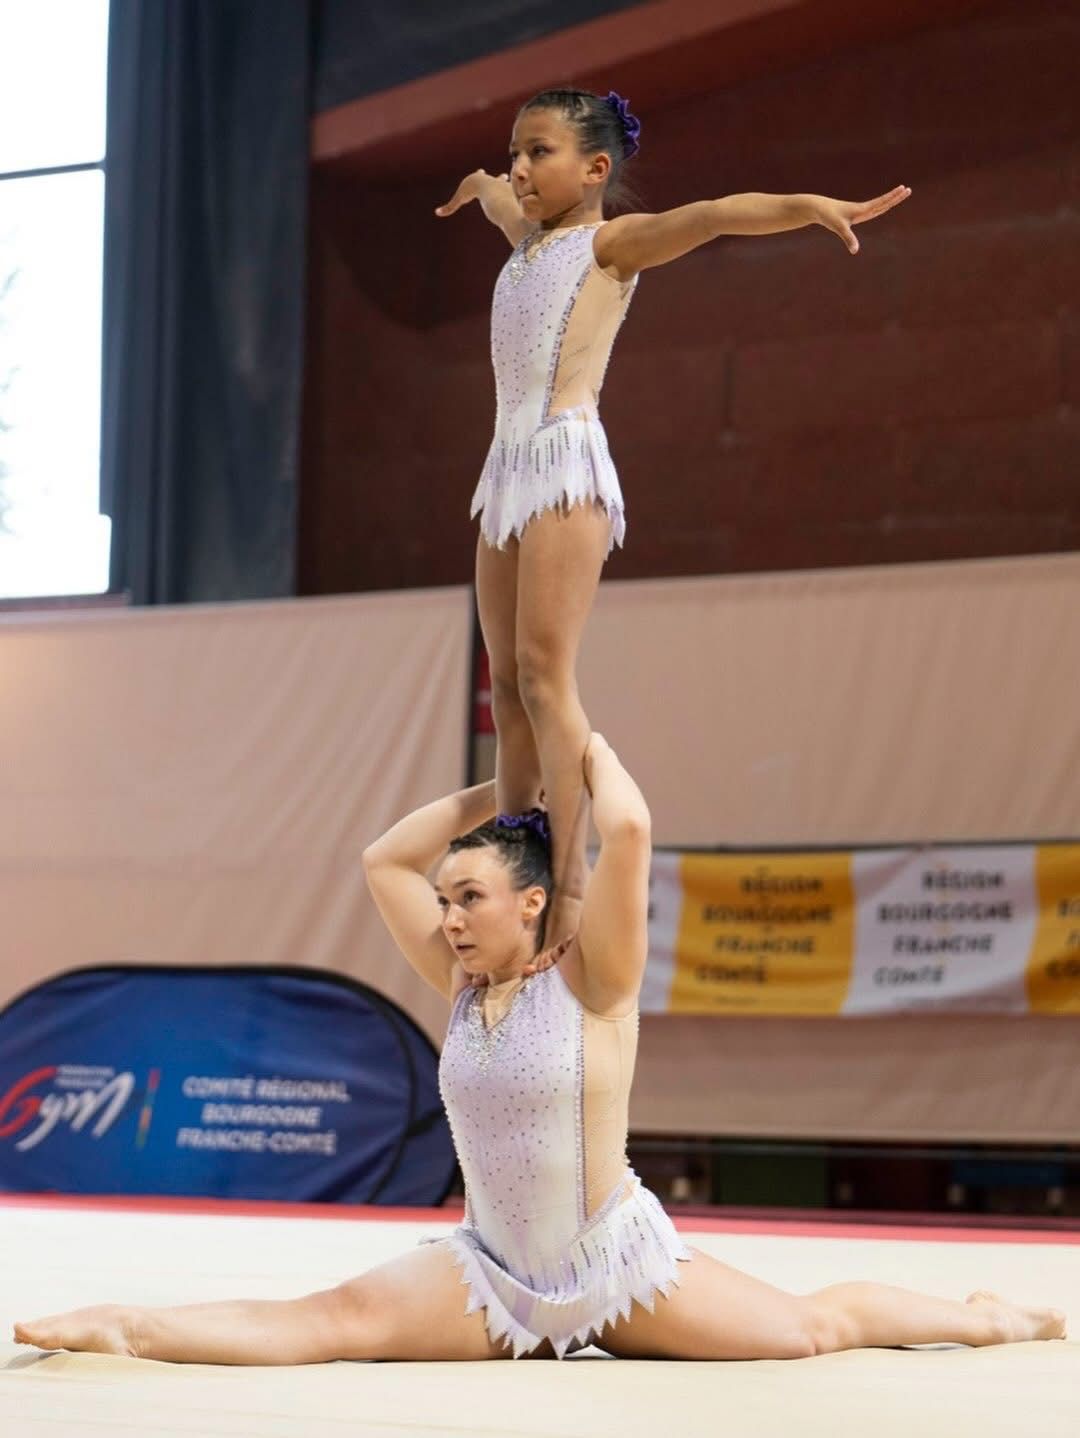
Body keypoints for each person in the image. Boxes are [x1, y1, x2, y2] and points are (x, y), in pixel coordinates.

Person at [13, 735, 1065, 1362]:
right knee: (332, 1320)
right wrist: (502, 789)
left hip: (619, 1265)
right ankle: (130, 1326)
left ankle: (993, 1322)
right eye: (446, 901)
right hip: (492, 1273)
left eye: (469, 897)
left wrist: (575, 745)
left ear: (532, 902)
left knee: (809, 1332)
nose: (449, 918)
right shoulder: (462, 982)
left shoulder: (593, 982)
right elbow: (383, 859)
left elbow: (631, 830)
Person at [434, 87, 912, 950]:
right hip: (503, 472)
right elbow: (496, 196)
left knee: (544, 677)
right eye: (514, 152)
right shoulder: (526, 238)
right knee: (504, 684)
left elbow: (715, 215)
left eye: (538, 152)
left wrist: (808, 205)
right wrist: (477, 184)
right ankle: (515, 853)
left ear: (596, 169)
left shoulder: (611, 244)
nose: (520, 169)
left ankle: (568, 882)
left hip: (564, 465)